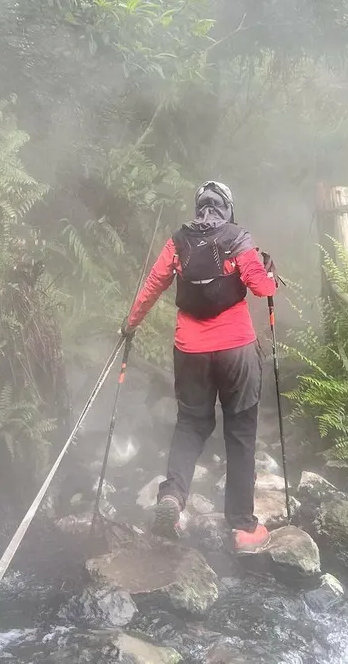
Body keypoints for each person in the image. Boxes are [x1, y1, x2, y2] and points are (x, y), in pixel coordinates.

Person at [122, 180, 277, 553]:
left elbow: (154, 284)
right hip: (237, 351)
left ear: (199, 208)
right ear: (228, 208)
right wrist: (268, 271)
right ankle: (241, 527)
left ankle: (173, 499)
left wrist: (130, 324)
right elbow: (262, 288)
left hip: (190, 350)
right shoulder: (238, 239)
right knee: (240, 432)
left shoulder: (179, 241)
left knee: (191, 424)